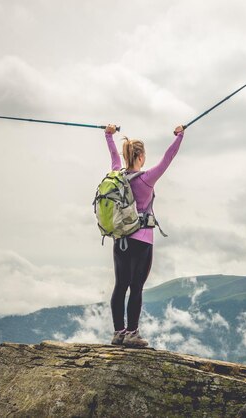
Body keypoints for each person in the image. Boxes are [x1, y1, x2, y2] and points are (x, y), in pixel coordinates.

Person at [104, 123, 185, 347]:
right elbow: (169, 157)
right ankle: (132, 334)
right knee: (136, 288)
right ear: (140, 156)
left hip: (120, 239)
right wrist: (179, 136)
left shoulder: (117, 175)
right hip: (141, 241)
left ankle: (118, 333)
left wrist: (108, 135)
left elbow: (113, 154)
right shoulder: (146, 178)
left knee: (120, 286)